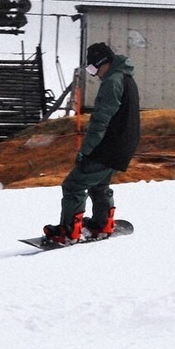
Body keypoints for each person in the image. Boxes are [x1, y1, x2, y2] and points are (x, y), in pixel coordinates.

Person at [43, 43, 140, 243]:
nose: (94, 74)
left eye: (93, 69)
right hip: (122, 144)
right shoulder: (127, 78)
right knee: (99, 184)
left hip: (108, 145)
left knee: (73, 184)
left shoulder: (112, 82)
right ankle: (102, 223)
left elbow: (100, 121)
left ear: (103, 62)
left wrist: (85, 150)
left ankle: (69, 231)